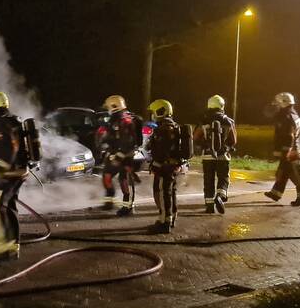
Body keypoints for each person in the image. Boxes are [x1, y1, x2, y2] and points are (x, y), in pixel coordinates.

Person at [0, 91, 29, 262]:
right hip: (20, 171)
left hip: (9, 173)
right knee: (10, 207)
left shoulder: (0, 123)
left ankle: (1, 248)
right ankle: (13, 246)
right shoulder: (13, 120)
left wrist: (1, 170)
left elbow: (11, 148)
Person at [96, 95, 143, 216]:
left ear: (114, 106)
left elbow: (129, 142)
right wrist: (105, 148)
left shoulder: (126, 120)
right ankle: (109, 202)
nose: (108, 110)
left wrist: (120, 156)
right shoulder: (115, 119)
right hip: (115, 154)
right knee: (106, 177)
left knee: (123, 180)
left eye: (109, 107)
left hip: (125, 156)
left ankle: (128, 207)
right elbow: (110, 137)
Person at [264, 92, 300, 206]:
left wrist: (286, 151)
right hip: (293, 150)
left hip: (291, 151)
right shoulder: (293, 115)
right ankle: (276, 193)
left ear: (284, 104)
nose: (276, 106)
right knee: (285, 172)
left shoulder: (286, 117)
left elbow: (289, 136)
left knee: (297, 175)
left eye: (278, 104)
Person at [194, 94, 237, 214]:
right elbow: (234, 140)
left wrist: (203, 145)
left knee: (208, 180)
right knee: (223, 178)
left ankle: (209, 206)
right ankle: (220, 195)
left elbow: (196, 137)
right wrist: (228, 147)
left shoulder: (203, 120)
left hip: (207, 155)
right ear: (222, 106)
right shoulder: (229, 121)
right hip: (223, 156)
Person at [147, 99, 185, 233]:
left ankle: (164, 222)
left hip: (165, 167)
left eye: (153, 112)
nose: (152, 115)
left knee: (163, 193)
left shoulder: (164, 129)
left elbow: (162, 152)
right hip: (175, 166)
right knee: (171, 192)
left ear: (160, 111)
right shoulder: (174, 126)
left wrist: (155, 165)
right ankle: (171, 218)